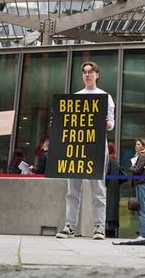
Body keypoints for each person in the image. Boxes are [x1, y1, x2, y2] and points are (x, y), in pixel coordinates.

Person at [56, 61, 115, 240]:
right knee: (72, 189)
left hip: (96, 146)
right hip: (76, 146)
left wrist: (107, 123)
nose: (87, 75)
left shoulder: (105, 96)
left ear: (97, 74)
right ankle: (69, 226)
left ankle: (99, 227)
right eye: (84, 72)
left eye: (90, 72)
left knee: (98, 188)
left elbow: (111, 124)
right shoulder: (76, 96)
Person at [129, 138, 145, 240]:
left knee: (142, 209)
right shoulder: (143, 156)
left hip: (142, 184)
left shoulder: (143, 156)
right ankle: (143, 232)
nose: (136, 146)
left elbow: (137, 170)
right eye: (136, 144)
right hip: (142, 183)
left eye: (138, 144)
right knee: (141, 209)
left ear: (143, 146)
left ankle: (144, 234)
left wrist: (131, 167)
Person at [105, 141, 122, 237]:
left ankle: (107, 229)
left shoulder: (108, 160)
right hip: (115, 189)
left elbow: (106, 174)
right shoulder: (115, 159)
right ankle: (112, 230)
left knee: (108, 210)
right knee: (113, 210)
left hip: (109, 189)